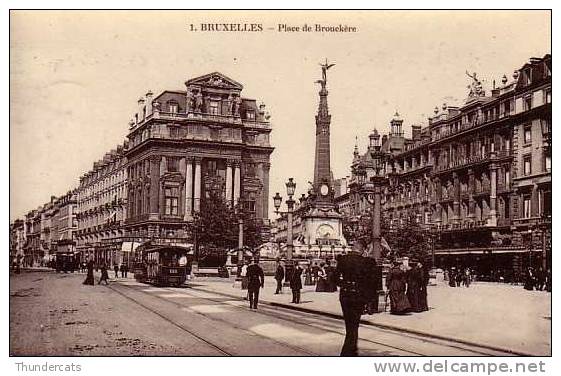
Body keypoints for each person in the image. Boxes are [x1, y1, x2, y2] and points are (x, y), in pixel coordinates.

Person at [335, 240, 369, 356]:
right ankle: (347, 353)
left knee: (349, 324)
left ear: (353, 248)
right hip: (358, 295)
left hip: (345, 295)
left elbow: (334, 278)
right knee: (354, 325)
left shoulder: (342, 260)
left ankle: (351, 351)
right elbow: (370, 282)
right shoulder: (365, 262)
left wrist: (344, 284)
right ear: (363, 249)